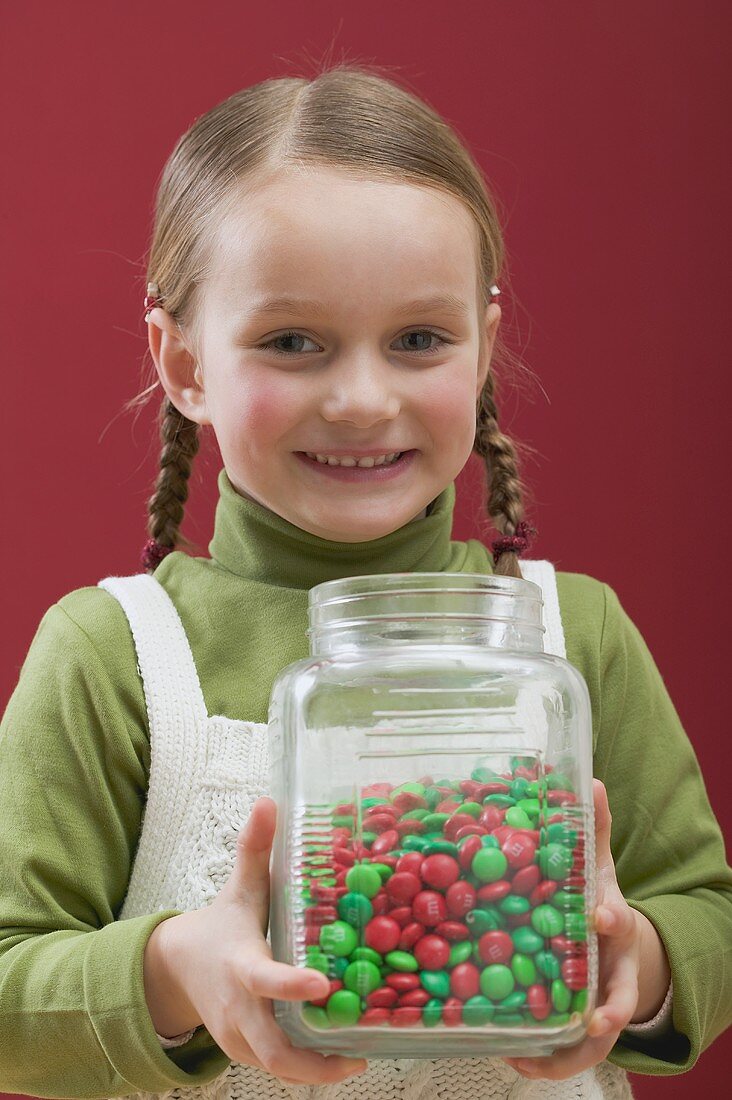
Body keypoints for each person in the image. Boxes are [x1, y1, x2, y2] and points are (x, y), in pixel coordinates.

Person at [0, 63, 730, 1100]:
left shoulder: (574, 631)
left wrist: (635, 959)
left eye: (419, 340)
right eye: (291, 341)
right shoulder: (112, 654)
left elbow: (709, 914)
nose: (359, 397)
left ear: (483, 345)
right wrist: (175, 972)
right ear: (183, 362)